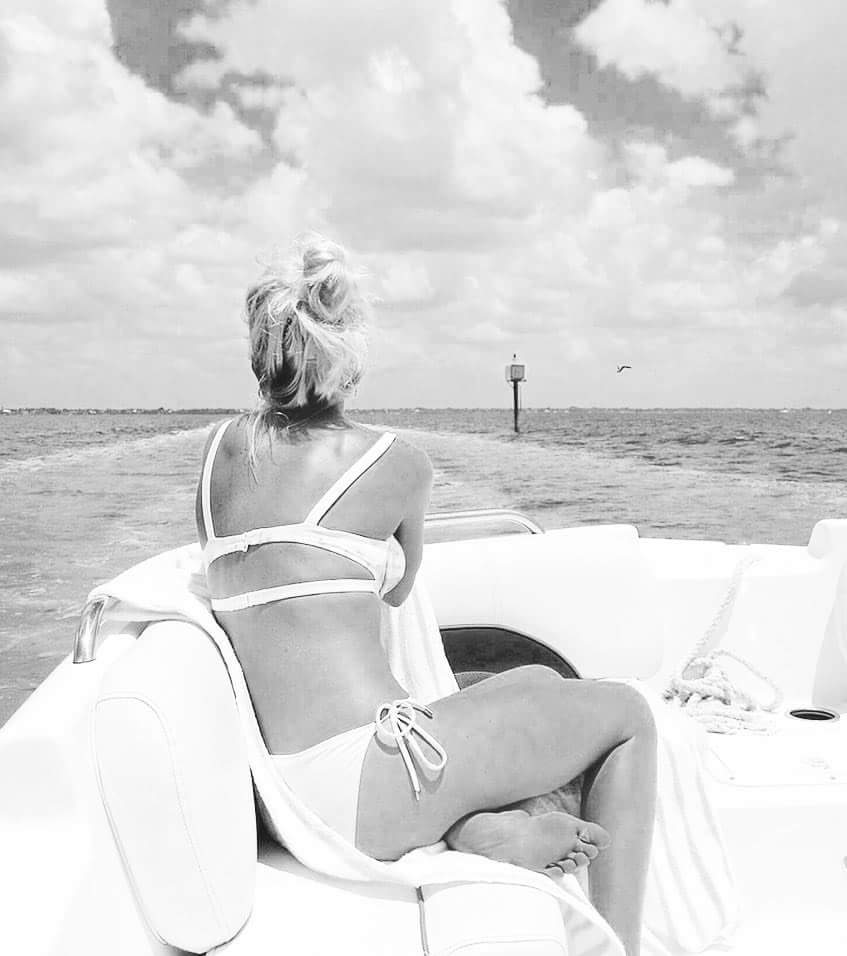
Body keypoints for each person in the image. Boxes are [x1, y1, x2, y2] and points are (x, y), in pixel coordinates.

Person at [195, 235, 656, 956]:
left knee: (533, 681)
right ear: (349, 354)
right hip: (373, 772)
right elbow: (402, 586)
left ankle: (476, 827)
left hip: (285, 786)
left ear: (262, 347)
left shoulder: (218, 453)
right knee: (627, 713)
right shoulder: (393, 461)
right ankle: (622, 947)